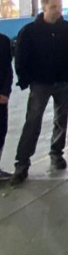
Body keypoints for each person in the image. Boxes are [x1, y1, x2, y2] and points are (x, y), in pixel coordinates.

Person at [11, 0, 68, 186]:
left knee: (61, 118)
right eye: (54, 7)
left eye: (60, 6)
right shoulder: (30, 31)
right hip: (41, 83)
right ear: (44, 8)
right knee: (33, 121)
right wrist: (26, 80)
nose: (58, 10)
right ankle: (22, 163)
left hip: (66, 82)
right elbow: (21, 58)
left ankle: (57, 153)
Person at [0, 30, 11, 180]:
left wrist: (5, 92)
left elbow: (8, 69)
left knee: (1, 131)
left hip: (1, 97)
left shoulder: (3, 41)